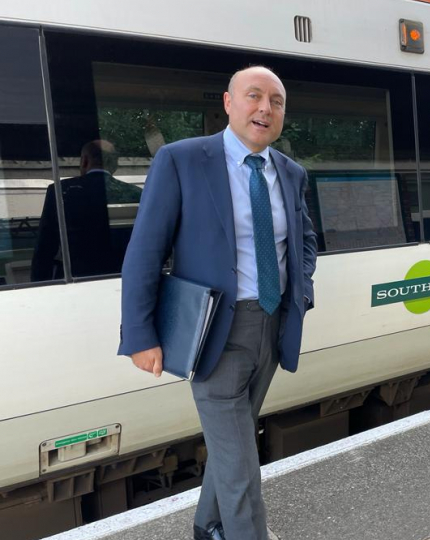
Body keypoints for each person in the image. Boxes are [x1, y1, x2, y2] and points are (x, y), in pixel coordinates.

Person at [118, 66, 317, 540]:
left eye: (276, 100)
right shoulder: (182, 159)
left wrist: (301, 293)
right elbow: (146, 250)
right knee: (241, 463)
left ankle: (209, 528)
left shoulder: (290, 173)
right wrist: (140, 334)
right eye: (254, 96)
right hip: (216, 333)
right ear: (228, 103)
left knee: (235, 446)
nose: (265, 108)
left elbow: (305, 241)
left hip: (272, 326)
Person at [30, 139, 142, 281]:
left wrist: (39, 284)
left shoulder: (61, 191)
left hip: (74, 279)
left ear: (84, 161)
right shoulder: (135, 193)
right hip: (122, 278)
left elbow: (45, 246)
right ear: (115, 164)